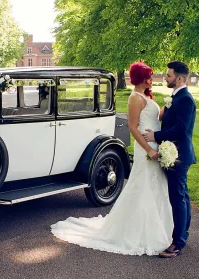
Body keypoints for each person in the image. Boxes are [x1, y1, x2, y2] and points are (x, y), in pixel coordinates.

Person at [50, 61, 173, 256]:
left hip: (154, 143)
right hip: (146, 148)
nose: (152, 79)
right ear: (141, 78)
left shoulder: (146, 96)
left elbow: (153, 119)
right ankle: (138, 232)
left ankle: (160, 228)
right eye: (149, 76)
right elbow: (133, 127)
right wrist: (149, 149)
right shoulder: (134, 98)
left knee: (156, 186)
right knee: (142, 187)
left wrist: (167, 107)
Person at [143, 61, 196, 258]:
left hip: (179, 156)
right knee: (182, 196)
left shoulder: (185, 100)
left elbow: (181, 130)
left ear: (180, 78)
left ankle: (178, 244)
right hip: (174, 154)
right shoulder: (176, 97)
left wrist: (156, 136)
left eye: (169, 75)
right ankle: (183, 237)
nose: (165, 78)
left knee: (178, 199)